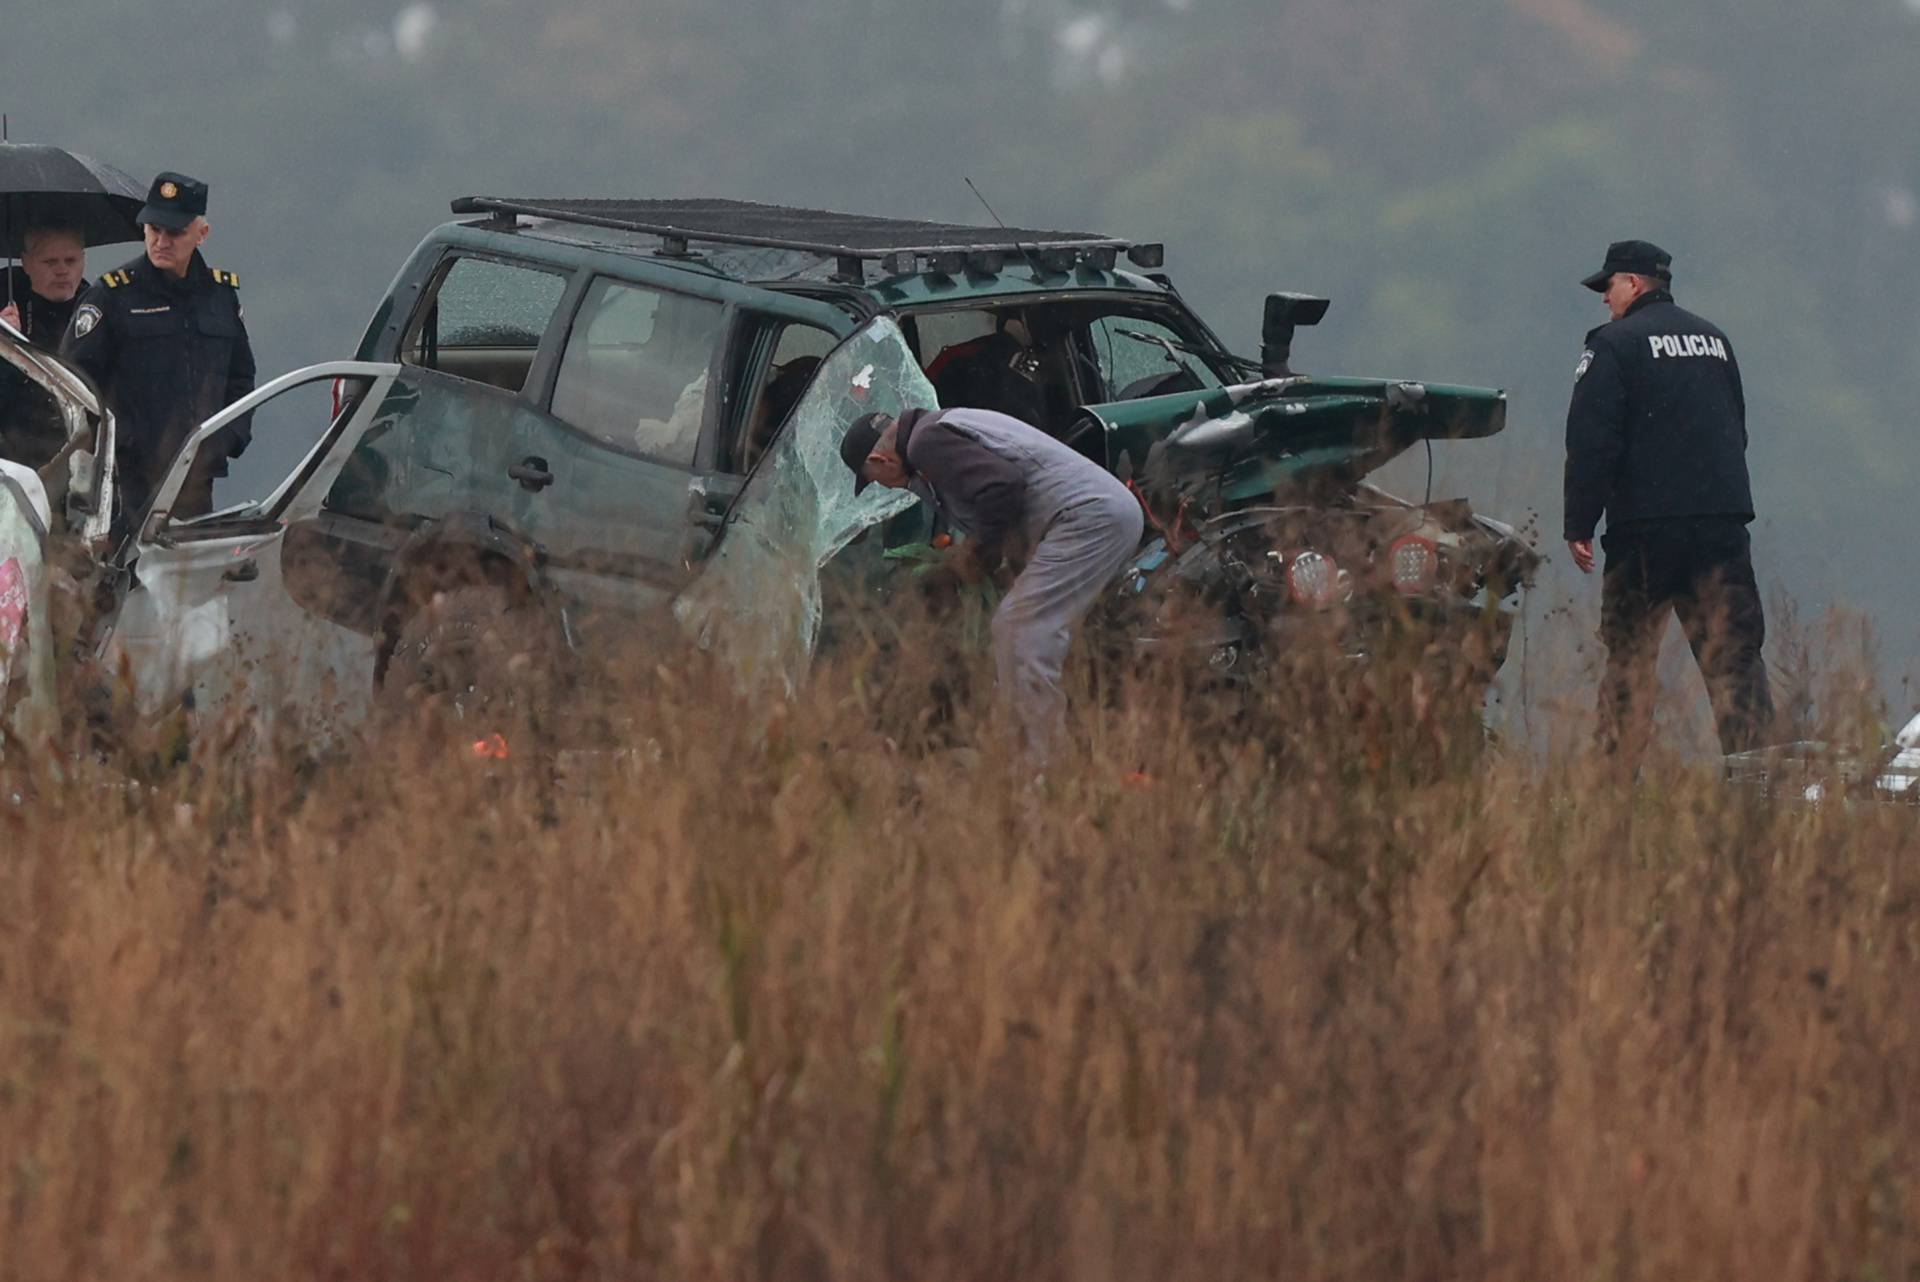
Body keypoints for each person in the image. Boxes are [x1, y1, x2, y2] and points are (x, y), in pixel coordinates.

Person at [1563, 239, 1774, 772]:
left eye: (1607, 286)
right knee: (1735, 659)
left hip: (1646, 534)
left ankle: (1614, 783)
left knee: (1630, 658)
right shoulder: (1715, 341)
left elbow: (1593, 440)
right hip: (1721, 527)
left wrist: (1578, 522)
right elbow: (1737, 429)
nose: (1603, 298)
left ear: (1633, 283)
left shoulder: (1612, 344)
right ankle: (1763, 787)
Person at [841, 404, 1144, 761]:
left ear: (880, 460)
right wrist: (1002, 564)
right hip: (1089, 517)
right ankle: (1036, 752)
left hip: (1087, 519)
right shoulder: (938, 428)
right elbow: (1015, 498)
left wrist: (975, 556)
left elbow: (1002, 487)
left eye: (877, 480)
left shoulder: (927, 442)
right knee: (1022, 631)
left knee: (1020, 629)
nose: (889, 487)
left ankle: (1041, 770)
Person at [61, 171, 254, 522]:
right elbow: (74, 381)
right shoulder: (113, 296)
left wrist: (227, 439)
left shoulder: (220, 297)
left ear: (201, 234)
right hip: (125, 478)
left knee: (188, 571)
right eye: (153, 229)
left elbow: (240, 378)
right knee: (126, 573)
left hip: (196, 477)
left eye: (175, 232)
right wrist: (117, 443)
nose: (161, 241)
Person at [1, 224, 89, 474]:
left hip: (73, 450)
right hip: (12, 451)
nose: (62, 270)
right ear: (26, 263)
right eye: (50, 262)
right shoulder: (6, 295)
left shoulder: (95, 307)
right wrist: (7, 346)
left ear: (83, 261)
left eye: (70, 261)